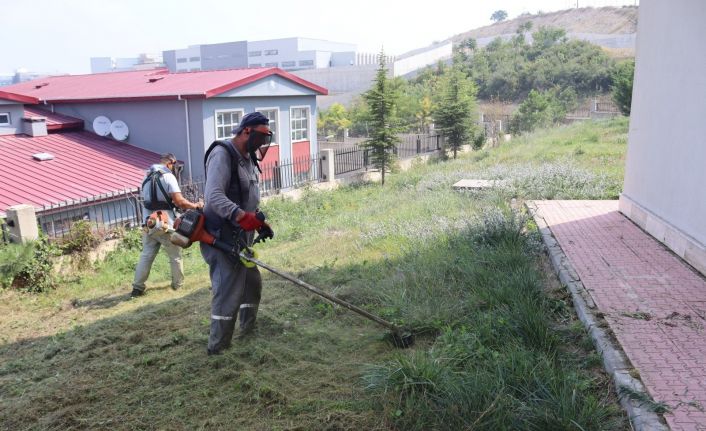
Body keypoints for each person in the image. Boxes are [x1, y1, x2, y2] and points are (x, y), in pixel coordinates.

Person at [201, 112, 274, 355]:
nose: (263, 142)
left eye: (266, 137)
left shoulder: (248, 157)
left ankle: (248, 329)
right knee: (227, 290)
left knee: (252, 283)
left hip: (242, 236)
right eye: (260, 136)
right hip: (221, 235)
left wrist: (258, 221)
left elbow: (247, 197)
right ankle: (218, 348)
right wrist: (242, 216)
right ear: (246, 131)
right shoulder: (223, 154)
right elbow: (214, 197)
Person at [130, 153, 203, 298]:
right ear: (170, 163)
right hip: (165, 224)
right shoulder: (168, 177)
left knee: (146, 255)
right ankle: (178, 285)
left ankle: (137, 288)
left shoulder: (146, 177)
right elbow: (179, 201)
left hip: (149, 223)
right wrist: (195, 206)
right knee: (175, 255)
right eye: (174, 165)